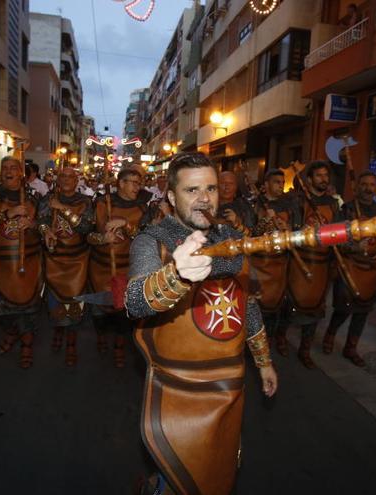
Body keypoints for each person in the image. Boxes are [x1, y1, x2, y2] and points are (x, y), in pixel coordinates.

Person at [125, 152, 277, 495]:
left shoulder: (230, 240)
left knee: (219, 474)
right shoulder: (152, 240)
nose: (204, 198)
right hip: (178, 390)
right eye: (192, 190)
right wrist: (176, 274)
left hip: (229, 384)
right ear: (171, 196)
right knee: (179, 478)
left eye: (210, 188)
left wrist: (264, 362)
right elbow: (135, 301)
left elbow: (245, 304)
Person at [0, 157, 44, 369]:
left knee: (27, 305)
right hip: (0, 261)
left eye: (13, 168)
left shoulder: (35, 196)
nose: (9, 171)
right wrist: (7, 214)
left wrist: (34, 224)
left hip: (29, 259)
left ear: (21, 173)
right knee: (0, 309)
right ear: (1, 173)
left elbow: (45, 227)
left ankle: (26, 345)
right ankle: (11, 332)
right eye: (5, 168)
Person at [88, 168, 150, 368]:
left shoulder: (143, 208)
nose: (137, 187)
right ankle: (100, 336)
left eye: (139, 183)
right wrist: (102, 238)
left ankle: (119, 347)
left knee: (123, 311)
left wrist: (124, 223)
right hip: (100, 266)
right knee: (100, 309)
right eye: (133, 182)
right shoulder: (100, 204)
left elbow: (146, 237)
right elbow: (88, 235)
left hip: (128, 267)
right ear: (121, 183)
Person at [322, 171, 376, 366]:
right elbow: (333, 237)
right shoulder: (347, 209)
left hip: (371, 267)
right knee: (344, 308)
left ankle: (351, 347)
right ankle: (330, 335)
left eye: (372, 185)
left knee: (363, 310)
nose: (368, 188)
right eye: (364, 184)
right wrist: (355, 247)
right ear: (357, 187)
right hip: (349, 265)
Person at [39, 166, 96, 367]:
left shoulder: (85, 201)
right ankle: (57, 331)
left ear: (77, 180)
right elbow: (42, 221)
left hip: (78, 260)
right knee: (54, 301)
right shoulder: (48, 199)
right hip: (55, 258)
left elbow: (86, 226)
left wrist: (62, 209)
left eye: (70, 176)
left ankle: (71, 341)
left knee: (75, 303)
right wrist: (46, 231)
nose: (66, 179)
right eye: (62, 176)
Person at [287, 161, 337, 369]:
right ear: (309, 179)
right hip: (300, 260)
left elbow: (338, 230)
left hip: (322, 262)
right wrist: (307, 229)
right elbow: (293, 230)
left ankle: (305, 350)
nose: (324, 179)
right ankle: (280, 337)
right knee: (291, 301)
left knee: (317, 306)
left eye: (326, 176)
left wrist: (332, 232)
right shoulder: (299, 201)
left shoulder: (333, 203)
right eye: (319, 176)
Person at [251, 169, 294, 355]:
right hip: (259, 262)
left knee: (277, 305)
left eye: (282, 182)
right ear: (266, 184)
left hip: (280, 263)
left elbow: (296, 233)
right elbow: (250, 233)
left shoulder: (289, 205)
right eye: (276, 181)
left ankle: (268, 343)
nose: (280, 185)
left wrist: (288, 228)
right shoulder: (254, 205)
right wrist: (266, 220)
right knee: (255, 306)